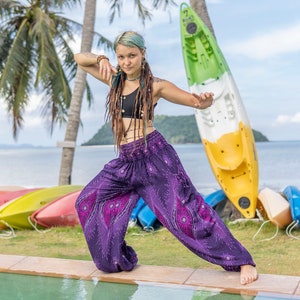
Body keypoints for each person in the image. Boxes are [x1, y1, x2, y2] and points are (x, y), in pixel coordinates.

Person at [74, 31, 258, 285]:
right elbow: (79, 58)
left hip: (155, 159)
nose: (126, 62)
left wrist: (203, 102)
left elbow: (195, 102)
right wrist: (102, 58)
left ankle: (242, 260)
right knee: (88, 200)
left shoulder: (156, 86)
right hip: (126, 162)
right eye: (121, 57)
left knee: (188, 215)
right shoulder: (114, 79)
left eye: (132, 56)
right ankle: (117, 258)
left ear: (143, 55)